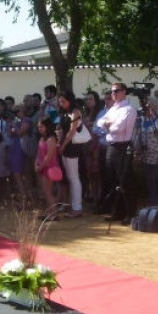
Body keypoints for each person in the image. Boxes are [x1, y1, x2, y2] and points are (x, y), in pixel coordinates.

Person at [97, 83, 139, 222]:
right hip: (112, 146)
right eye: (112, 91)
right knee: (113, 179)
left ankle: (130, 212)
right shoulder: (113, 108)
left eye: (117, 91)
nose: (113, 93)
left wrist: (108, 125)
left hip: (123, 146)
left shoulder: (129, 109)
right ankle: (118, 211)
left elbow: (119, 128)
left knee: (125, 180)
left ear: (124, 92)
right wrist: (108, 124)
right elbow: (99, 122)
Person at [56, 91, 89, 219]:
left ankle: (77, 207)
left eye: (63, 101)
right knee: (70, 177)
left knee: (74, 178)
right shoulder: (64, 113)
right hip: (65, 146)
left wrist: (63, 145)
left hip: (72, 147)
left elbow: (71, 131)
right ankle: (72, 204)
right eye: (60, 102)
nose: (61, 104)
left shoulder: (75, 112)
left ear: (70, 100)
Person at [138, 97, 158, 209]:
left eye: (149, 106)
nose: (147, 108)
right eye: (146, 106)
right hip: (146, 155)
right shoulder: (141, 120)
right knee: (150, 181)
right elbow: (139, 137)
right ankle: (153, 205)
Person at [35, 117, 64, 216]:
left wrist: (41, 167)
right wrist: (36, 164)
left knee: (47, 191)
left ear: (47, 126)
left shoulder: (51, 139)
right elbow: (39, 154)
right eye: (38, 127)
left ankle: (54, 213)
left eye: (41, 126)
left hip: (49, 167)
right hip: (44, 167)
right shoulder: (42, 138)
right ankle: (51, 212)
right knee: (46, 191)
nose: (39, 128)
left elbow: (49, 156)